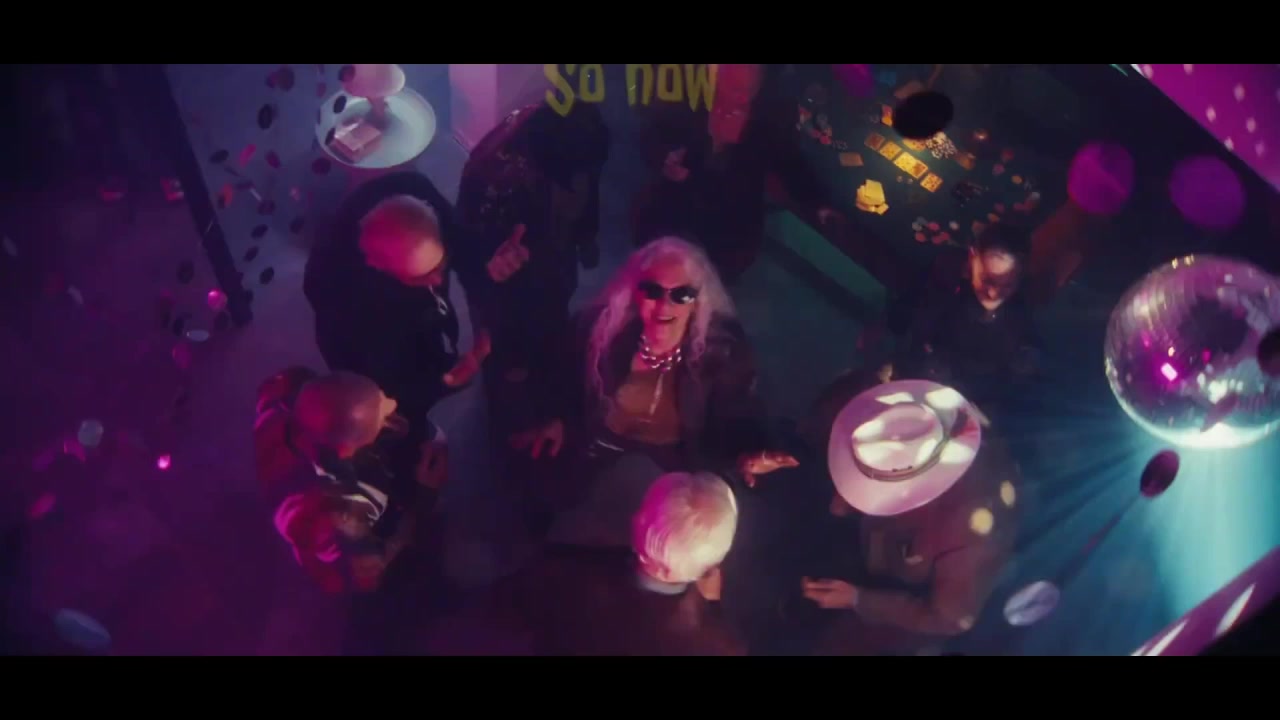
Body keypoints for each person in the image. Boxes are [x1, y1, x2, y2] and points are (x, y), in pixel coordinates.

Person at [512, 237, 797, 515]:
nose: (664, 305)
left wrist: (749, 453)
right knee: (542, 483)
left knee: (697, 519)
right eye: (652, 290)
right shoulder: (601, 329)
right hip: (602, 433)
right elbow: (560, 370)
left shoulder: (723, 350)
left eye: (681, 295)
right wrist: (556, 417)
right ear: (635, 292)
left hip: (679, 448)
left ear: (697, 301)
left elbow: (740, 410)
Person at [787, 374, 1018, 655]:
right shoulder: (907, 422)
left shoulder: (970, 533)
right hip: (886, 555)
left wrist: (859, 599)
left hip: (917, 604)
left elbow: (949, 619)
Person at [303, 172, 509, 481]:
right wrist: (445, 382)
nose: (438, 280)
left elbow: (462, 245)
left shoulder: (413, 191)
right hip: (376, 356)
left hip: (401, 301)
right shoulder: (351, 320)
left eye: (441, 265)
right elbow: (388, 392)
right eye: (422, 277)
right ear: (377, 265)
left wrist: (490, 272)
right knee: (401, 421)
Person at [455, 100, 610, 436]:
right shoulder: (489, 176)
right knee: (509, 354)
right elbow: (463, 251)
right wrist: (489, 268)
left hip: (554, 260)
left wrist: (586, 235)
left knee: (551, 325)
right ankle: (506, 412)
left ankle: (542, 376)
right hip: (506, 287)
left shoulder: (579, 131)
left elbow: (586, 187)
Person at [496, 470, 745, 655]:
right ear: (707, 568)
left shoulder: (560, 570)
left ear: (638, 522)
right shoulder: (716, 646)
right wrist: (712, 606)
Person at [632, 63, 840, 282]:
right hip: (675, 210)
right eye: (734, 88)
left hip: (730, 226)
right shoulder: (689, 98)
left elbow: (791, 163)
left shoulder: (770, 117)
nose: (741, 98)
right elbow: (652, 137)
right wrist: (665, 158)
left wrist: (818, 203)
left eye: (749, 90)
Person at [253, 368, 447, 595]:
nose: (392, 403)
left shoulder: (276, 405)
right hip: (340, 565)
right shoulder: (342, 514)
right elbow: (371, 572)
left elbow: (285, 381)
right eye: (383, 412)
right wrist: (425, 494)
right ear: (345, 450)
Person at [886, 223, 1041, 415]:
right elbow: (901, 328)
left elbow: (1014, 384)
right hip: (917, 389)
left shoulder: (1022, 314)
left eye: (1007, 285)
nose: (993, 294)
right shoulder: (942, 279)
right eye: (987, 280)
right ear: (972, 257)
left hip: (969, 407)